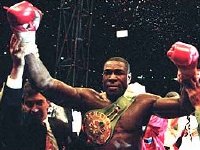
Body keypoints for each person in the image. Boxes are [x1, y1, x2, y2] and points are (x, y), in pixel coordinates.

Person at [5, 1, 200, 150]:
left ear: (129, 78)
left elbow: (183, 107)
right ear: (102, 77)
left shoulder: (143, 103)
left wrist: (188, 74)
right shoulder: (87, 98)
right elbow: (44, 83)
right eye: (108, 73)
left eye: (119, 73)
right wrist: (26, 39)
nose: (113, 77)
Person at [0, 39, 73, 149]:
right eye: (29, 104)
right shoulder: (18, 129)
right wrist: (17, 67)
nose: (34, 109)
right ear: (23, 104)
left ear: (48, 102)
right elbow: (9, 113)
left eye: (39, 103)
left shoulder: (60, 126)